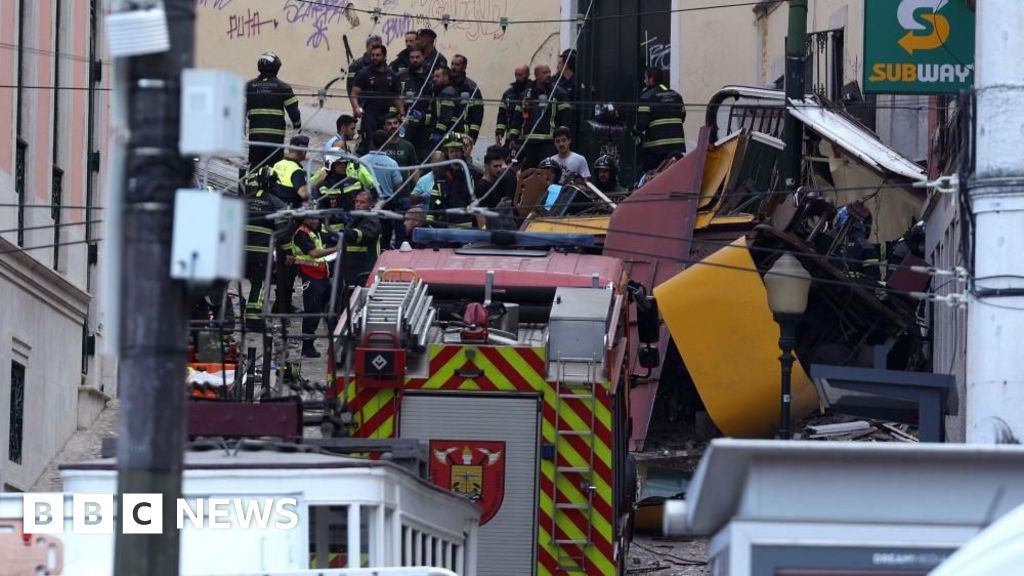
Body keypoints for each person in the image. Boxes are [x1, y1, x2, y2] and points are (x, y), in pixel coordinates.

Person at [270, 135, 312, 314]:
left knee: (281, 263)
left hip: (275, 220)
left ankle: (281, 304)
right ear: (302, 150)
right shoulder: (296, 170)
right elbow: (303, 194)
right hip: (289, 223)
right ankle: (282, 306)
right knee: (289, 264)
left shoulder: (278, 164)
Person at [290, 209, 339, 358]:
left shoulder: (313, 231)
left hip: (321, 275)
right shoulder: (302, 233)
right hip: (309, 276)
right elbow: (314, 254)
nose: (317, 221)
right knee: (313, 311)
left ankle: (335, 340)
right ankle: (307, 346)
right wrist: (336, 248)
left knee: (330, 308)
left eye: (318, 218)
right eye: (313, 218)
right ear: (305, 219)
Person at [245, 52, 301, 169]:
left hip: (256, 135)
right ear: (276, 68)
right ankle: (272, 187)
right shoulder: (283, 87)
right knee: (274, 167)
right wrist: (297, 127)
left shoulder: (249, 86)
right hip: (276, 136)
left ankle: (253, 185)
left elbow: (241, 109)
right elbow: (293, 111)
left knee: (255, 165)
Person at [512, 64, 571, 170]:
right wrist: (512, 138)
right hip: (528, 143)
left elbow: (565, 119)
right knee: (528, 174)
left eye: (549, 72)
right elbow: (517, 118)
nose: (548, 75)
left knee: (546, 173)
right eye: (545, 73)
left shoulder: (558, 94)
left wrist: (561, 139)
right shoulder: (526, 95)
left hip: (548, 143)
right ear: (536, 75)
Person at [350, 43, 403, 154]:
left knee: (386, 142)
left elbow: (396, 97)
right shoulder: (364, 73)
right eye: (373, 55)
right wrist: (356, 107)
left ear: (384, 56)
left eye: (378, 55)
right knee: (370, 142)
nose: (374, 57)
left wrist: (402, 113)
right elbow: (354, 93)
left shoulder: (391, 75)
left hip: (386, 115)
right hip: (369, 115)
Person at [636, 67, 686, 172]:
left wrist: (635, 131)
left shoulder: (646, 96)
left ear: (651, 79)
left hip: (656, 149)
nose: (644, 81)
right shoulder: (676, 96)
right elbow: (682, 117)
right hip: (677, 146)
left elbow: (642, 123)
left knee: (652, 176)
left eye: (645, 78)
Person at [360, 130, 404, 248]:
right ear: (387, 144)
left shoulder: (362, 161)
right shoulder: (392, 163)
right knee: (385, 237)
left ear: (371, 143)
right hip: (386, 204)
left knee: (365, 234)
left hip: (365, 203)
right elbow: (398, 186)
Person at [427, 134, 475, 229]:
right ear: (447, 153)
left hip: (465, 223)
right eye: (451, 151)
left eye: (457, 151)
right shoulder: (441, 174)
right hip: (445, 222)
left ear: (462, 152)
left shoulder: (469, 172)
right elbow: (435, 198)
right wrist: (430, 218)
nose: (455, 154)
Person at [342, 191, 383, 292]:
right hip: (351, 266)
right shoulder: (355, 219)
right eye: (356, 202)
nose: (358, 205)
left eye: (362, 202)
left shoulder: (372, 220)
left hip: (366, 266)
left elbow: (362, 235)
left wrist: (344, 233)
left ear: (370, 205)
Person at [397, 46, 432, 156]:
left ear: (423, 57)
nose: (415, 60)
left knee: (421, 155)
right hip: (405, 123)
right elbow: (396, 97)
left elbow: (434, 100)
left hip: (424, 125)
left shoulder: (430, 77)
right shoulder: (401, 76)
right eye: (412, 57)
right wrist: (400, 116)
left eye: (417, 57)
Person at [474, 149, 517, 229]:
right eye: (495, 166)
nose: (499, 169)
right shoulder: (482, 187)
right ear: (487, 166)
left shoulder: (497, 182)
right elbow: (480, 217)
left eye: (500, 166)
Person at [449, 54, 484, 143]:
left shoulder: (471, 88)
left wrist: (472, 136)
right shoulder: (446, 84)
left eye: (457, 65)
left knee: (458, 155)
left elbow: (477, 114)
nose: (453, 67)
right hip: (446, 131)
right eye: (452, 64)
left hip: (463, 133)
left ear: (464, 67)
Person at [496, 65, 530, 149]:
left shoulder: (532, 92)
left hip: (526, 138)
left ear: (527, 74)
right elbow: (502, 114)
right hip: (510, 137)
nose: (518, 77)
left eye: (520, 75)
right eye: (516, 75)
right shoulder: (508, 94)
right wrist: (499, 132)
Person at [426, 66, 459, 153]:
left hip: (449, 132)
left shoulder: (447, 92)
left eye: (437, 76)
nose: (434, 79)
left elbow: (445, 116)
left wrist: (438, 133)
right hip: (448, 132)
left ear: (446, 77)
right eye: (434, 76)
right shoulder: (440, 91)